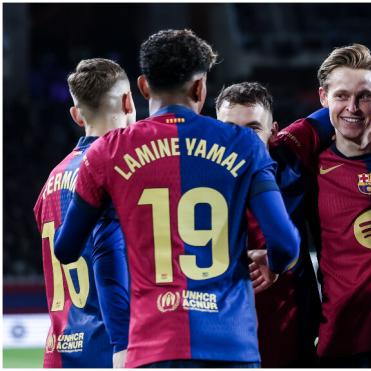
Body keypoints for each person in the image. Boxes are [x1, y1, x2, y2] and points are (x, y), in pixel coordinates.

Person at [54, 29, 300, 368]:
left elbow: (66, 248)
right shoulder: (243, 144)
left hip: (151, 349)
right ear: (200, 88)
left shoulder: (107, 153)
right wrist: (271, 263)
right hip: (230, 347)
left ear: (142, 86)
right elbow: (286, 244)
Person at [272, 44, 371, 367]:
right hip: (339, 340)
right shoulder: (308, 164)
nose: (353, 107)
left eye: (364, 96)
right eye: (341, 96)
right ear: (323, 98)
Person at [33, 58, 132, 368]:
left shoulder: (50, 180)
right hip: (111, 350)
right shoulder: (123, 172)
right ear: (129, 101)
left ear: (76, 115)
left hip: (60, 352)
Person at [215, 82, 321, 367]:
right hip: (227, 339)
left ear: (274, 132)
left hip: (294, 331)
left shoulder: (292, 159)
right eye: (228, 128)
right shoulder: (194, 176)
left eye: (252, 129)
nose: (238, 140)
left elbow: (336, 107)